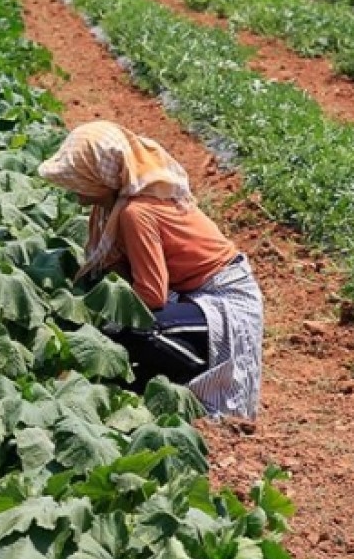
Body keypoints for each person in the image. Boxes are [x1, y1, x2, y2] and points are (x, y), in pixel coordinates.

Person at [38, 121, 264, 419]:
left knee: (133, 333)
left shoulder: (136, 212)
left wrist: (97, 322)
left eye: (79, 176)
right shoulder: (110, 209)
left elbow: (151, 295)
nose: (72, 184)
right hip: (189, 297)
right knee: (116, 331)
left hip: (224, 302)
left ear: (102, 176)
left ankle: (187, 386)